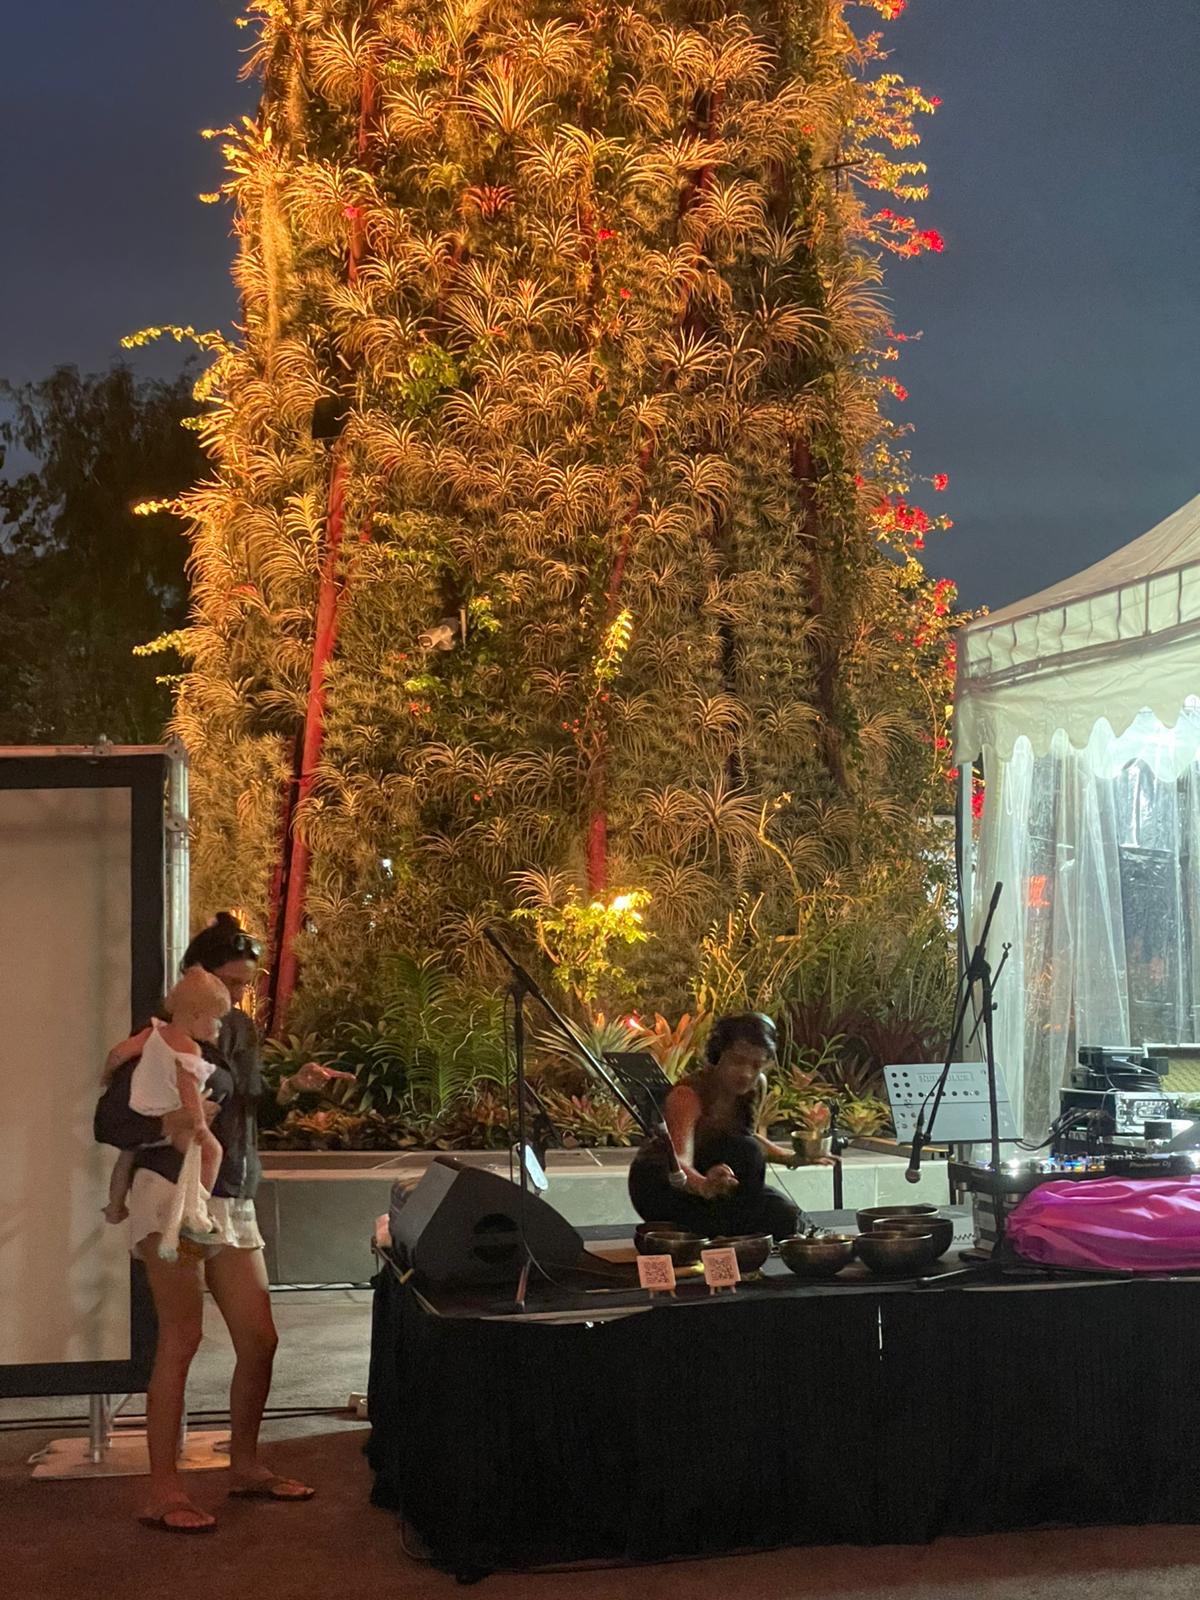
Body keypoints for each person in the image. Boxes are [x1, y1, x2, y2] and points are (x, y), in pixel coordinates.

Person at [96, 912, 354, 1534]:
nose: (237, 997)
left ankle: (244, 1466)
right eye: (230, 983)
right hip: (173, 1195)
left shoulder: (234, 1028)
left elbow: (244, 1101)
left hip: (229, 1196)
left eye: (244, 985)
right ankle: (163, 1491)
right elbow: (110, 1120)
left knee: (259, 1338)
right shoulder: (162, 1034)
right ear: (197, 978)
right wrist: (167, 1125)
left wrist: (292, 1088)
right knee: (181, 1339)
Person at [627, 1012, 807, 1241]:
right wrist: (705, 1186)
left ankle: (731, 1231)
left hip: (716, 1177)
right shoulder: (687, 1095)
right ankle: (726, 1233)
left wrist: (793, 1157)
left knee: (786, 1218)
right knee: (747, 1153)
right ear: (718, 1055)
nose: (746, 1073)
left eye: (756, 1065)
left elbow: (746, 1136)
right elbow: (679, 1162)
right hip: (668, 1182)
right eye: (738, 1061)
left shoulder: (755, 1087)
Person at [104, 970, 230, 1253]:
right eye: (216, 1018)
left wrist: (107, 1076)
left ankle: (114, 1205)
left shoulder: (153, 1031)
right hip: (171, 1117)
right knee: (211, 1152)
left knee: (126, 1157)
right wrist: (198, 1123)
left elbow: (118, 1053)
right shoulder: (188, 1050)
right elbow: (187, 1089)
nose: (219, 1026)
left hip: (142, 1111)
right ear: (197, 1015)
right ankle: (197, 1208)